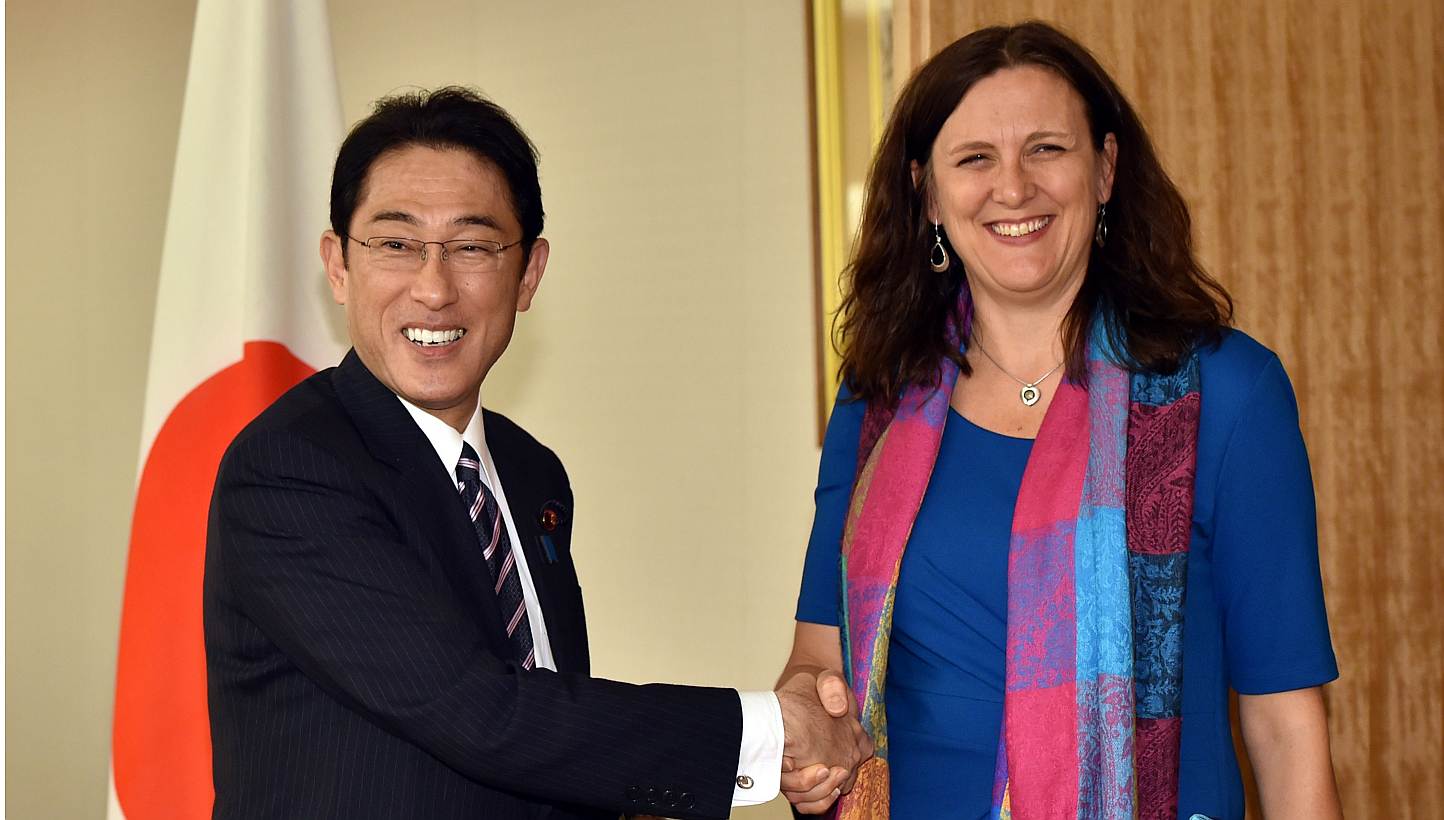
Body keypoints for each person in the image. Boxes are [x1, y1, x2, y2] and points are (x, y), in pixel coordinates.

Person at [204, 87, 870, 819]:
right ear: (338, 265)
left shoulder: (529, 473)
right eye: (395, 244)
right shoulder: (291, 469)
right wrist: (774, 735)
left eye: (473, 247)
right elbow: (479, 713)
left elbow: (549, 734)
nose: (433, 288)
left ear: (528, 274)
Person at [780, 21, 1342, 820]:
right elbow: (818, 656)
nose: (1013, 189)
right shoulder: (876, 396)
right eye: (975, 159)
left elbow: (1286, 724)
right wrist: (805, 723)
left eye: (1047, 149)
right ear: (928, 194)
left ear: (1107, 169)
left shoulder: (1227, 392)